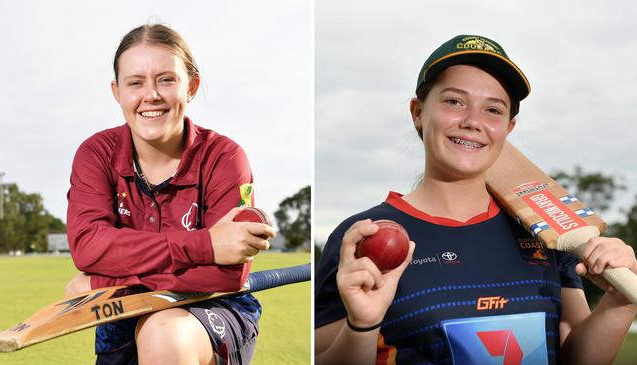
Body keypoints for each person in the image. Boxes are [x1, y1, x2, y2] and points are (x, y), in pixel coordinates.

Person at [315, 34, 637, 364]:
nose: (472, 122)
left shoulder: (546, 231)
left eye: (493, 110)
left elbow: (577, 358)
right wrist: (362, 326)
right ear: (418, 112)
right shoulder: (365, 235)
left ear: (508, 128)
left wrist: (619, 302)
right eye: (454, 102)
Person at [65, 24, 275, 365]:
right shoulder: (95, 154)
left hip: (211, 305)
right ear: (117, 91)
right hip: (121, 312)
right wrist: (205, 246)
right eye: (135, 83)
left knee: (162, 332)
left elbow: (229, 274)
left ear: (191, 86)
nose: (151, 95)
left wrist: (104, 277)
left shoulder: (225, 158)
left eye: (166, 79)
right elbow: (88, 247)